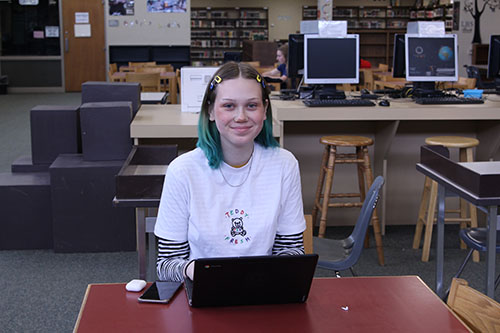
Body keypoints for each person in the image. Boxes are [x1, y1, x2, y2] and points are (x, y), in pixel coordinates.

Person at [155, 62, 305, 282]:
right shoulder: (182, 170)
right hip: (202, 291)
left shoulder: (284, 164)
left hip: (262, 290)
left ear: (265, 110)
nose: (241, 116)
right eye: (229, 106)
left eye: (252, 105)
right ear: (210, 111)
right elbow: (166, 265)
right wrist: (204, 273)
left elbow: (291, 251)